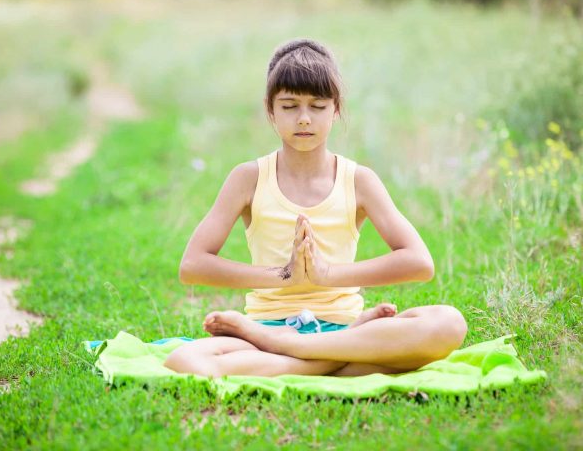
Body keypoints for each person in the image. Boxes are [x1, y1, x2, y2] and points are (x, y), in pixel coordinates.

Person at [164, 38, 467, 378]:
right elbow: (193, 265)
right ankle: (326, 361)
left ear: (335, 109)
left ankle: (298, 354)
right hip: (274, 328)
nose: (304, 119)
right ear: (270, 111)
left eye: (318, 106)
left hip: (341, 329)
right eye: (290, 106)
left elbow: (419, 263)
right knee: (183, 361)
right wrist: (283, 276)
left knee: (448, 323)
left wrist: (327, 275)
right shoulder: (248, 178)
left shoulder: (358, 180)